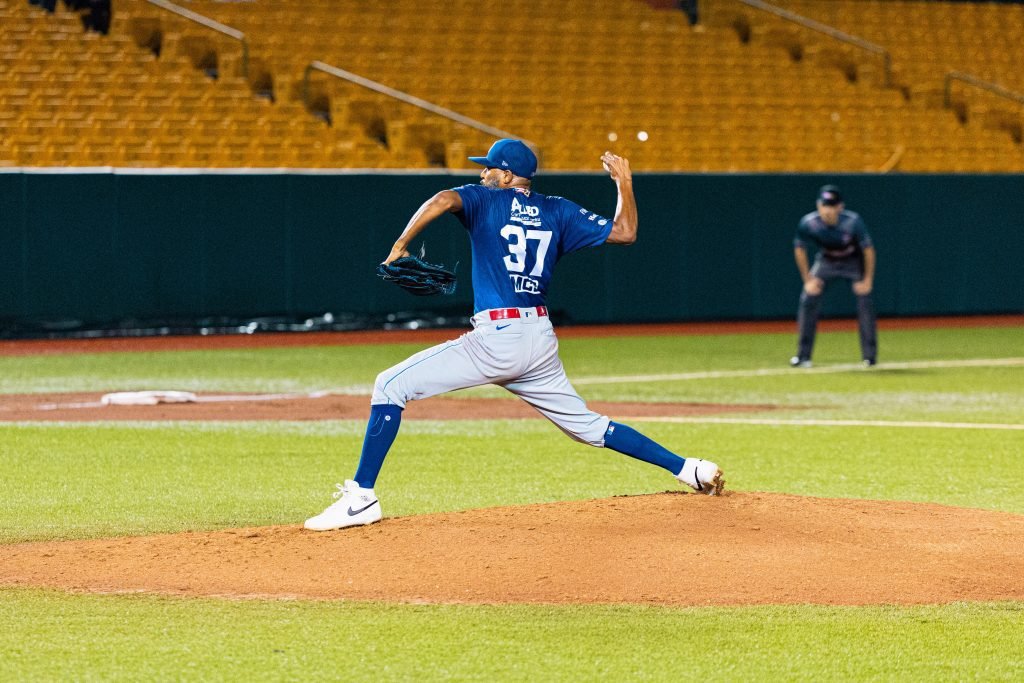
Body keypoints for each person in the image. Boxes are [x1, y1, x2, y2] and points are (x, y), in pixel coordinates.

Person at [305, 139, 725, 531]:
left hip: (497, 339)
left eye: (488, 168)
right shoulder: (558, 210)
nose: (482, 173)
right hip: (539, 340)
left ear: (506, 175)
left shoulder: (484, 198)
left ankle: (361, 498)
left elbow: (442, 199)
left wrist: (399, 245)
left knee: (389, 385)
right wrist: (624, 184)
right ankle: (689, 468)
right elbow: (625, 232)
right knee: (589, 427)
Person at [790, 184, 877, 368]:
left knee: (865, 299)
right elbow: (799, 249)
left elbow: (868, 250)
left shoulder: (853, 221)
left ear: (840, 207)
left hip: (852, 261)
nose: (828, 210)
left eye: (832, 206)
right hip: (827, 261)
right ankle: (803, 356)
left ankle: (869, 357)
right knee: (808, 297)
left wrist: (867, 279)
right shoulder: (809, 223)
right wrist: (807, 279)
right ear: (818, 205)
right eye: (824, 205)